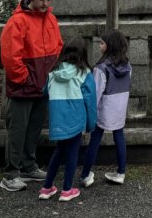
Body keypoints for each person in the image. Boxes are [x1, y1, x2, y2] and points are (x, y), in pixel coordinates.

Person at [0, 0, 63, 192]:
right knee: (17, 130)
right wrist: (23, 78)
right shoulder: (17, 21)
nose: (45, 3)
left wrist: (51, 74)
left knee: (34, 128)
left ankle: (28, 166)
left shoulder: (51, 19)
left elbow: (58, 47)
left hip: (42, 84)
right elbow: (10, 55)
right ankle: (11, 173)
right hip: (24, 86)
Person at [38, 36, 96, 202]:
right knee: (72, 154)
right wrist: (91, 124)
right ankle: (67, 189)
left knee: (59, 152)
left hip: (58, 120)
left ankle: (47, 187)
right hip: (75, 119)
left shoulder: (53, 72)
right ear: (83, 54)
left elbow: (45, 91)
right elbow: (90, 100)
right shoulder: (84, 73)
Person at [79, 30, 131, 187]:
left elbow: (95, 93)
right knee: (119, 137)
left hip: (104, 109)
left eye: (102, 43)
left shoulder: (101, 68)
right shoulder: (127, 65)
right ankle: (121, 173)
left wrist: (89, 113)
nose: (99, 45)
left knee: (95, 140)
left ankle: (86, 174)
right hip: (120, 108)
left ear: (110, 46)